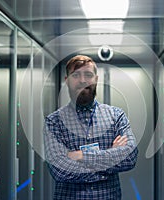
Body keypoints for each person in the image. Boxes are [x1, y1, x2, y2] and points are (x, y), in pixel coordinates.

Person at [43, 55, 138, 200]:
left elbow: (130, 157)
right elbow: (60, 170)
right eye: (76, 75)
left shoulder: (116, 116)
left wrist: (80, 156)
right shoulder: (54, 122)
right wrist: (111, 155)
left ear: (96, 79)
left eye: (88, 75)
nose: (82, 80)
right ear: (66, 80)